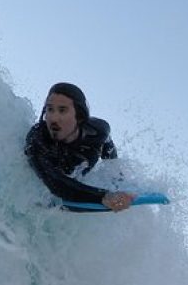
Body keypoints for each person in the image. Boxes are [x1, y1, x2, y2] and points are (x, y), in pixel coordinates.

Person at [24, 82, 135, 211]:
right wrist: (103, 197)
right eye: (50, 109)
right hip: (48, 181)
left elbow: (109, 150)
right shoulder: (37, 139)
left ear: (80, 116)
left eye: (62, 110)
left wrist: (117, 182)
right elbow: (55, 183)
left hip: (73, 181)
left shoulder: (98, 131)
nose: (54, 118)